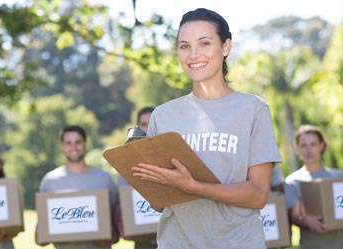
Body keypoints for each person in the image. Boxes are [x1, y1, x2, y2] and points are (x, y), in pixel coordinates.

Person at [131, 8, 282, 249]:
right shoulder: (163, 115)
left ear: (225, 47)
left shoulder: (253, 109)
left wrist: (193, 186)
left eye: (204, 43)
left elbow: (257, 194)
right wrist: (147, 176)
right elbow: (158, 204)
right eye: (184, 46)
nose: (193, 54)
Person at [37, 125, 119, 249]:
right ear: (62, 146)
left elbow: (116, 232)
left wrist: (109, 236)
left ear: (85, 143)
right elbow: (40, 238)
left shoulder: (104, 179)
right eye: (68, 143)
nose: (73, 147)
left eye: (78, 142)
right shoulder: (49, 181)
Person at [284, 124, 343, 248]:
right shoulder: (292, 181)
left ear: (321, 146)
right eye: (303, 145)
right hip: (310, 245)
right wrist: (306, 220)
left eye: (313, 144)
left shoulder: (339, 177)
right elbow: (294, 217)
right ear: (297, 148)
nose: (308, 150)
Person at [117, 107, 158, 249]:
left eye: (152, 122)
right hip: (142, 243)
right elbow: (123, 208)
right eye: (144, 124)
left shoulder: (176, 159)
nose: (148, 128)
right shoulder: (124, 168)